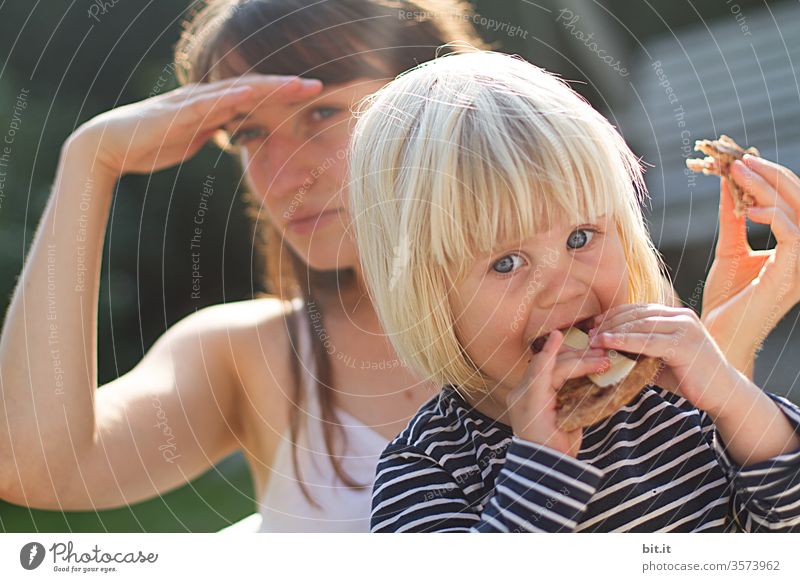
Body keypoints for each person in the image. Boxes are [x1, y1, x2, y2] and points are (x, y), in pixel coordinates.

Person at [0, 0, 796, 533]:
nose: (282, 174)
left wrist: (733, 342)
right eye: (247, 135)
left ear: (438, 106)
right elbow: (28, 466)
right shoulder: (252, 357)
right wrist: (88, 164)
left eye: (321, 113)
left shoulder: (629, 344)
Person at [345, 51, 800, 532]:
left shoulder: (675, 395)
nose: (561, 286)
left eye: (580, 237)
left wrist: (734, 398)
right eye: (506, 263)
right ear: (427, 296)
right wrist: (539, 471)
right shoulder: (426, 470)